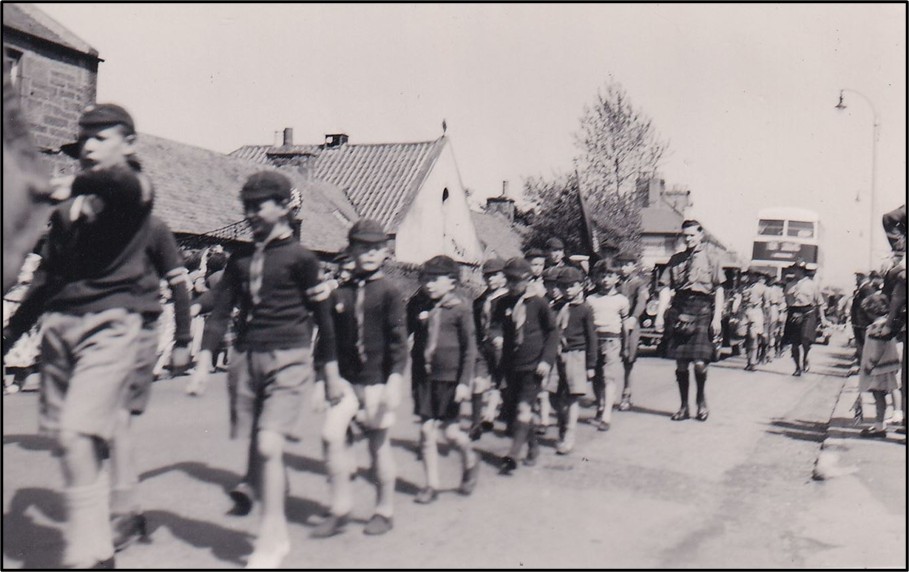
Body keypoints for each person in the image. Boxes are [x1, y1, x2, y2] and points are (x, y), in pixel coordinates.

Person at [2, 103, 161, 569]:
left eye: (101, 137)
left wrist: (67, 183)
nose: (88, 146)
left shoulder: (137, 189)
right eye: (83, 139)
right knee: (76, 442)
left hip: (110, 323)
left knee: (75, 434)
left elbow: (117, 183)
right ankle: (99, 550)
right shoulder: (67, 210)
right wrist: (10, 333)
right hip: (60, 327)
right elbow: (48, 275)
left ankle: (81, 551)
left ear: (128, 143)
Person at [188, 171, 340, 568]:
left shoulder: (304, 260)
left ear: (285, 207)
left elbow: (324, 318)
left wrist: (330, 373)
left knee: (269, 445)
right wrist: (204, 359)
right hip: (247, 358)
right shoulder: (240, 261)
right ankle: (270, 494)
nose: (252, 214)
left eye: (260, 206)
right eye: (247, 207)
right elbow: (220, 313)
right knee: (261, 443)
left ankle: (272, 535)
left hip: (289, 357)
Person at [311, 219, 407, 538]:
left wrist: (394, 380)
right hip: (346, 382)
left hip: (378, 382)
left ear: (385, 253)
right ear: (351, 250)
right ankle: (340, 508)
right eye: (362, 247)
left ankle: (385, 509)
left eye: (376, 248)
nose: (368, 254)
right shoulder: (340, 293)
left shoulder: (391, 292)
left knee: (378, 446)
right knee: (330, 435)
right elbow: (327, 341)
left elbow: (398, 342)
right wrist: (321, 380)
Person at [407, 255, 479, 503]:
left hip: (450, 380)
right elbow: (405, 332)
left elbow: (470, 349)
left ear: (452, 282)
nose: (429, 284)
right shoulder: (419, 305)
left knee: (450, 433)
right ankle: (431, 485)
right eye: (425, 278)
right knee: (427, 431)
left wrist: (464, 383)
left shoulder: (460, 310)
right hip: (424, 377)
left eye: (435, 279)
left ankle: (470, 458)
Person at [492, 257, 558, 474]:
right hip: (510, 366)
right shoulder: (502, 303)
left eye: (516, 280)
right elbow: (493, 326)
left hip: (534, 366)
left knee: (524, 408)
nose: (511, 285)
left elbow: (552, 332)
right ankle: (533, 447)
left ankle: (513, 454)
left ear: (528, 279)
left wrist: (546, 360)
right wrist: (496, 336)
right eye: (508, 280)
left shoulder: (538, 303)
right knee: (515, 409)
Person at [654, 220, 725, 422]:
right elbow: (665, 288)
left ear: (701, 235)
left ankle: (701, 401)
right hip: (680, 308)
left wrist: (717, 317)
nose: (688, 239)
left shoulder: (713, 258)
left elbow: (719, 289)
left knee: (700, 364)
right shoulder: (675, 259)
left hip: (703, 308)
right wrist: (660, 314)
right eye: (685, 236)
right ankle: (684, 407)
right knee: (681, 364)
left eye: (692, 235)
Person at [547, 266, 596, 453]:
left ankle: (569, 434)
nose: (568, 289)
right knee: (553, 395)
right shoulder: (555, 307)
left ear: (580, 286)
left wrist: (591, 364)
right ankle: (562, 424)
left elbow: (592, 337)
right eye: (564, 286)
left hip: (576, 355)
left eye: (572, 286)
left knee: (572, 397)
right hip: (556, 355)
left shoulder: (585, 310)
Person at [587, 259, 630, 431]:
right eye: (602, 276)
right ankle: (600, 405)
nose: (605, 280)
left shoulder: (621, 300)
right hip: (594, 340)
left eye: (610, 276)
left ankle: (606, 414)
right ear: (597, 278)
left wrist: (625, 346)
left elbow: (625, 325)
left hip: (613, 340)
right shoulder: (591, 299)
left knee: (608, 376)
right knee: (595, 377)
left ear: (616, 278)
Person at [469, 257, 507, 440]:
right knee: (478, 382)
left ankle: (491, 413)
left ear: (504, 276)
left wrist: (504, 338)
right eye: (487, 276)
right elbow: (474, 326)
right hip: (482, 347)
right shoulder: (479, 301)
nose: (491, 279)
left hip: (501, 347)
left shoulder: (509, 299)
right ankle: (475, 423)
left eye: (496, 275)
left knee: (499, 381)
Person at [857, 293, 901, 438]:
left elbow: (877, 348)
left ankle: (880, 426)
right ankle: (896, 413)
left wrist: (870, 365)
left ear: (870, 311)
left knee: (879, 396)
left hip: (878, 367)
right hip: (889, 364)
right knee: (893, 388)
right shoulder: (888, 324)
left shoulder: (876, 327)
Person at [782, 261, 827, 377]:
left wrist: (822, 318)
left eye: (797, 269)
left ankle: (806, 356)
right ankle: (797, 367)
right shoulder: (788, 285)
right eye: (794, 268)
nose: (794, 271)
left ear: (802, 271)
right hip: (793, 313)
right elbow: (786, 302)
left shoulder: (811, 285)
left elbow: (820, 302)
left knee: (805, 338)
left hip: (808, 312)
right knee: (794, 343)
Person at [617, 251, 648, 410]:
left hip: (630, 324)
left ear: (634, 266)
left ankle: (626, 394)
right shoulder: (614, 282)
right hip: (614, 323)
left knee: (628, 360)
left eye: (627, 265)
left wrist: (634, 317)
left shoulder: (639, 283)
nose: (623, 268)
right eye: (621, 265)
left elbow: (641, 302)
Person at [741, 268, 768, 372]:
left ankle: (753, 362)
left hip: (756, 312)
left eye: (752, 275)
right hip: (745, 312)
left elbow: (766, 304)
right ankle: (748, 361)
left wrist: (765, 319)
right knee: (746, 338)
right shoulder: (744, 286)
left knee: (753, 336)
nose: (750, 277)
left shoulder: (761, 288)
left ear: (757, 277)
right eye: (749, 275)